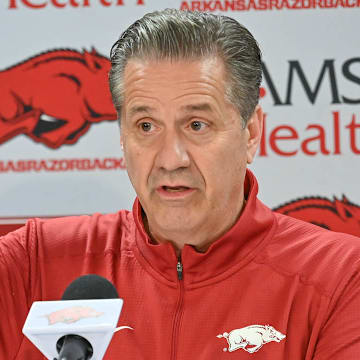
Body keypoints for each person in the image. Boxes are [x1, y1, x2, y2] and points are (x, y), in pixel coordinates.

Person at [1, 9, 359, 360]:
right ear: (123, 137)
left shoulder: (341, 276)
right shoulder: (31, 263)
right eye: (146, 126)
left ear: (250, 133)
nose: (171, 159)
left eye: (197, 125)